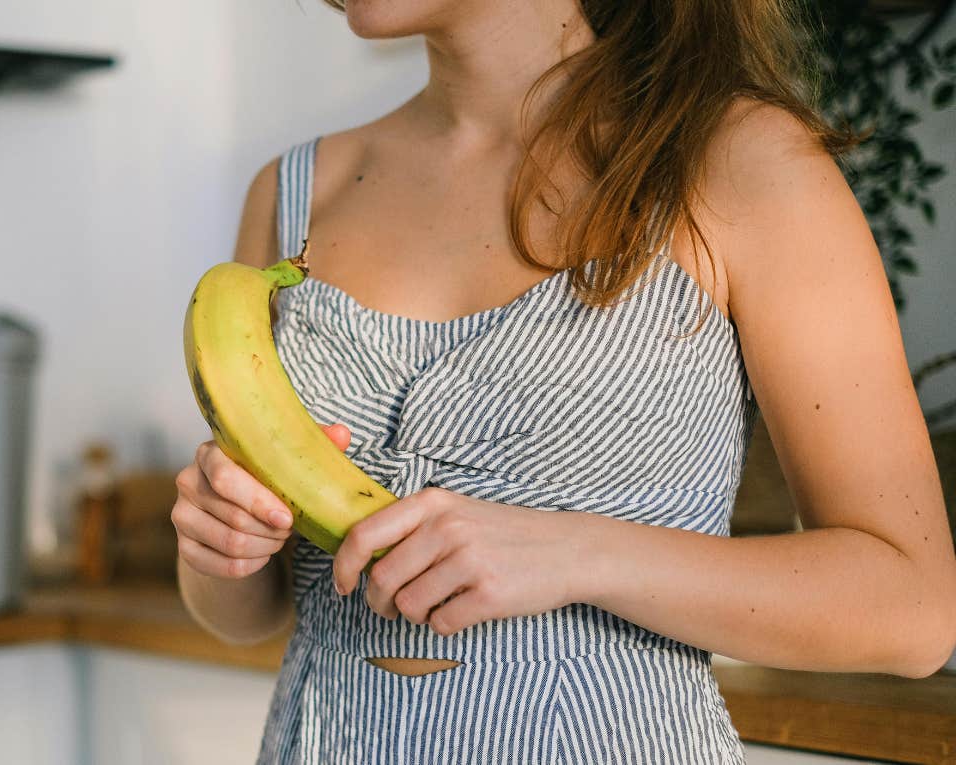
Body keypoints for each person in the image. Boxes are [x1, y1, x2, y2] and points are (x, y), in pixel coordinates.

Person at [171, 1, 956, 762]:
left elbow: (913, 607)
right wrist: (219, 551)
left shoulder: (741, 163)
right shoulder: (293, 197)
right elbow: (255, 613)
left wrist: (576, 552)